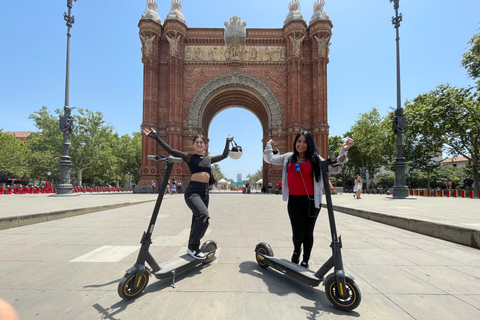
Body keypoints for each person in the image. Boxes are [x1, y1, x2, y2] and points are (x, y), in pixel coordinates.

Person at [264, 131, 353, 268]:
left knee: (308, 232)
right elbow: (271, 159)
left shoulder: (316, 159)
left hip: (312, 201)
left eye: (304, 142)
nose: (301, 144)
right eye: (299, 141)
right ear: (295, 143)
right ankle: (296, 251)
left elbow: (334, 168)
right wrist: (269, 146)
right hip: (294, 201)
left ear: (309, 144)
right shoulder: (288, 157)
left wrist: (343, 151)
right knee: (298, 232)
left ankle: (305, 259)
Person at [143, 127, 233, 259]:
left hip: (205, 193)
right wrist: (156, 137)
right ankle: (193, 248)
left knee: (201, 220)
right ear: (193, 145)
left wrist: (227, 141)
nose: (199, 144)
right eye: (197, 142)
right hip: (193, 192)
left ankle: (193, 247)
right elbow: (171, 150)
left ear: (205, 145)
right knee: (203, 215)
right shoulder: (189, 157)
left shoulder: (208, 159)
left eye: (202, 142)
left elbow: (225, 155)